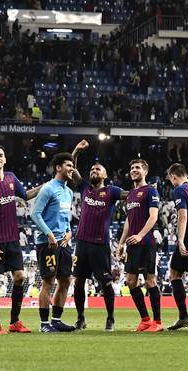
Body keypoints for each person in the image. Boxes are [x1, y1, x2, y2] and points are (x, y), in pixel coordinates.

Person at [0, 144, 42, 334]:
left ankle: (14, 322)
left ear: (5, 159)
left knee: (20, 277)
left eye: (1, 155)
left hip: (12, 240)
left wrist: (45, 185)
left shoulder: (12, 178)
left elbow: (26, 195)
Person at [70, 140, 127, 332]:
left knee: (105, 282)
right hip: (82, 243)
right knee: (78, 281)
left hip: (100, 244)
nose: (94, 171)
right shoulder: (85, 188)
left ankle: (110, 318)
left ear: (105, 175)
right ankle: (80, 319)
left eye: (98, 170)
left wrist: (146, 190)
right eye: (92, 170)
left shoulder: (112, 191)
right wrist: (77, 150)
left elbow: (131, 195)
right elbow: (71, 170)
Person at [30, 152, 77, 333]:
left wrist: (69, 232)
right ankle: (44, 324)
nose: (71, 169)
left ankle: (56, 320)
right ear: (58, 167)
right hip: (47, 242)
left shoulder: (69, 192)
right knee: (48, 281)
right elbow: (35, 214)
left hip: (63, 242)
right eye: (68, 165)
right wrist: (49, 234)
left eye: (72, 166)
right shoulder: (48, 188)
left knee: (65, 280)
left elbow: (64, 218)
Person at [116, 159, 162, 332]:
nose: (134, 170)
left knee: (150, 281)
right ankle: (145, 319)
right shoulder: (130, 195)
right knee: (130, 281)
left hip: (147, 242)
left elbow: (154, 217)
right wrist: (121, 243)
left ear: (145, 171)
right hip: (132, 244)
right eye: (132, 167)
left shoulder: (151, 190)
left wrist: (140, 235)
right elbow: (129, 220)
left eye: (137, 167)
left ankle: (158, 322)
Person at [166, 163, 188, 331]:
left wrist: (180, 240)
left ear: (173, 177)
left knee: (175, 275)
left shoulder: (180, 190)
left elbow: (183, 216)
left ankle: (183, 317)